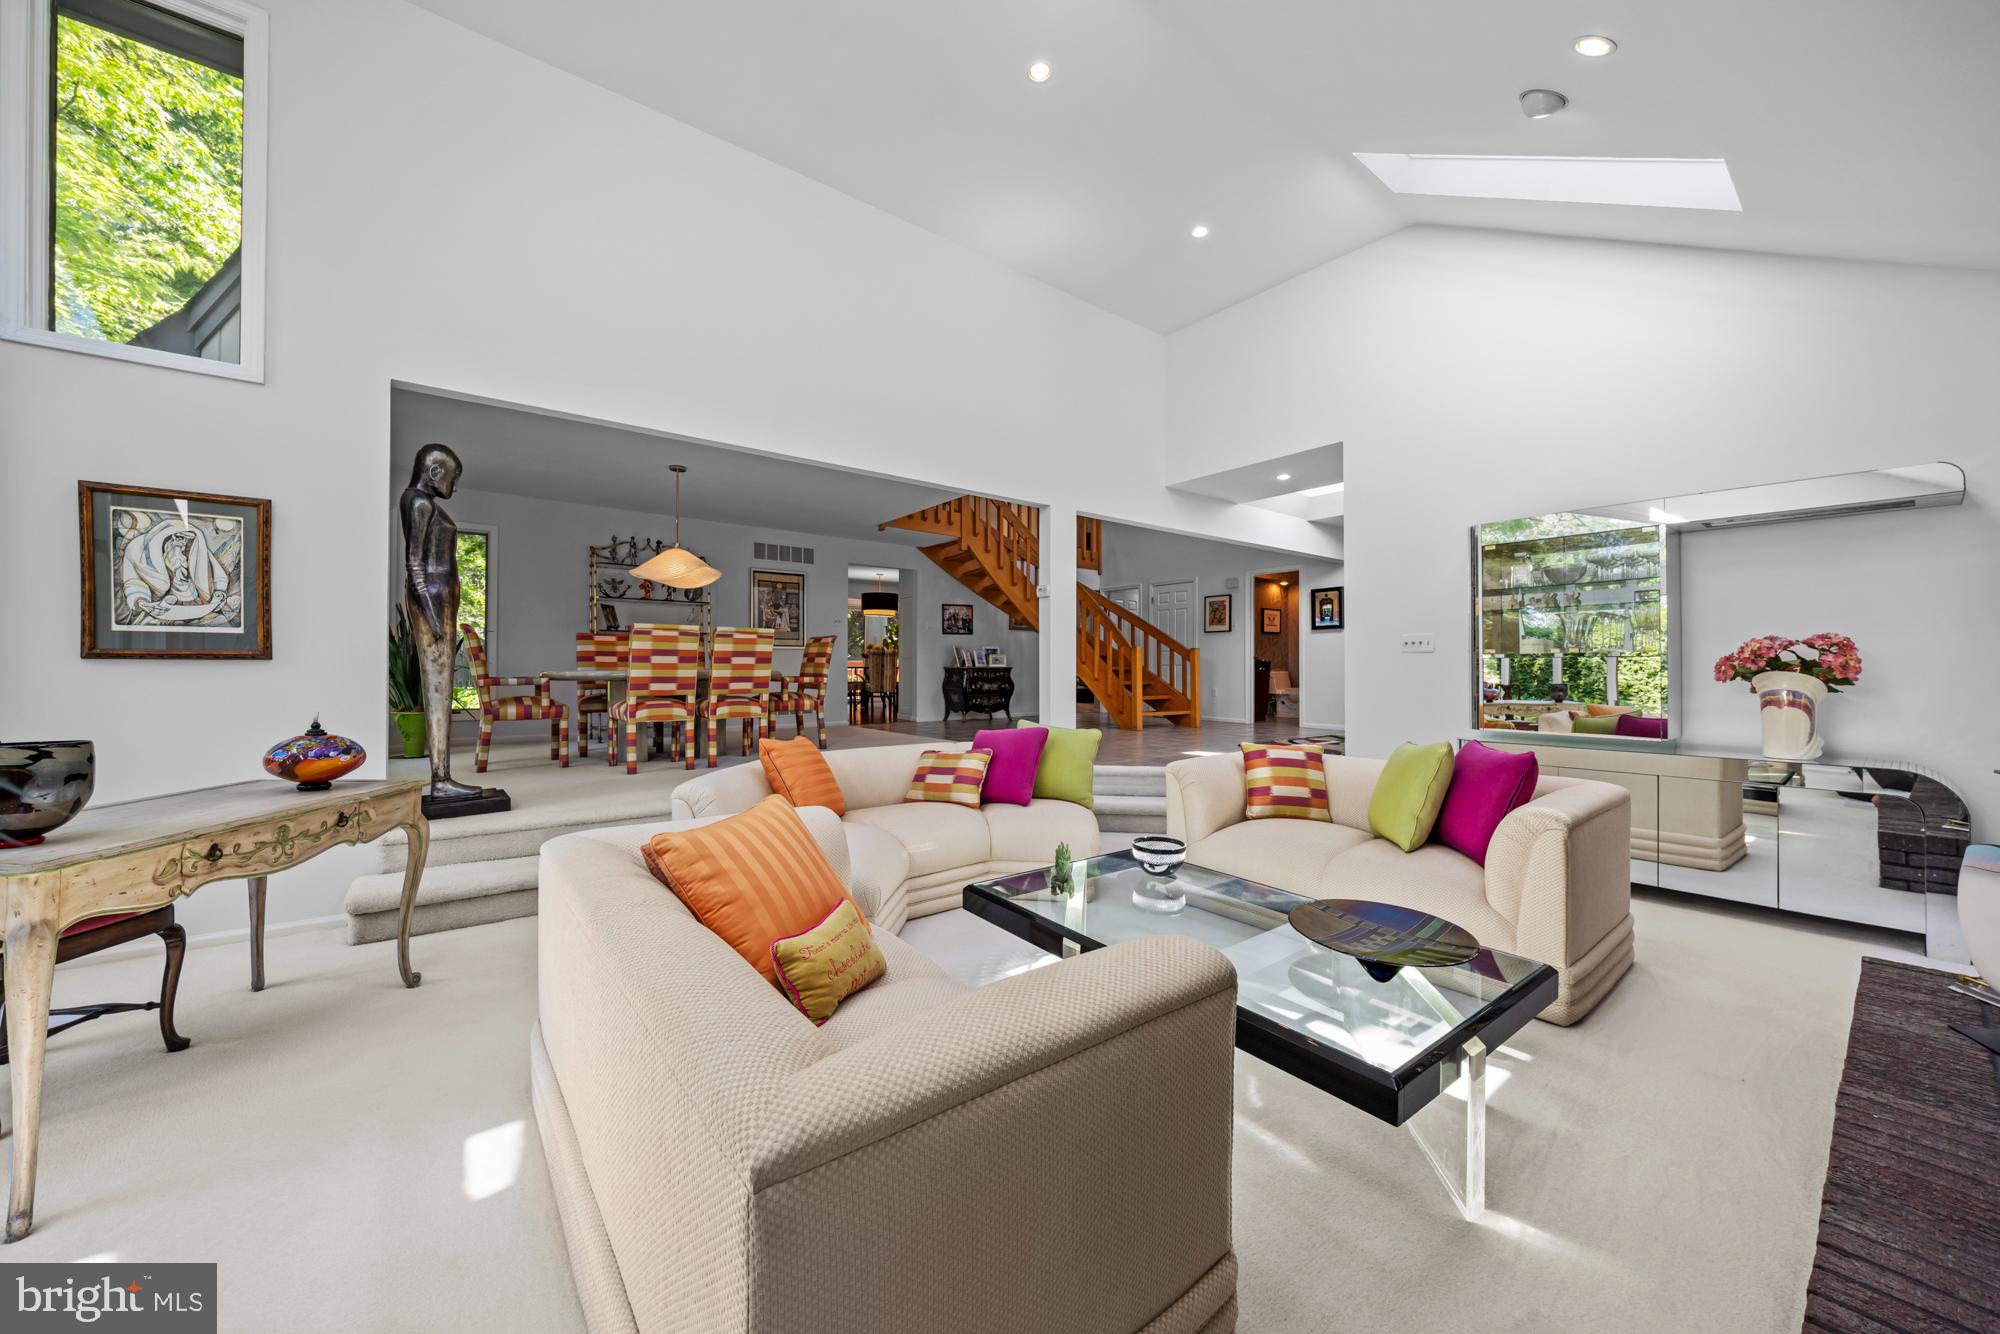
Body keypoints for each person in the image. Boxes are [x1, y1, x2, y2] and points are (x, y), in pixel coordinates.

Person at [399, 443, 484, 801]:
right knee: (438, 685)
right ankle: (441, 778)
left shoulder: (421, 503)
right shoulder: (419, 502)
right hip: (433, 598)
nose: (456, 485)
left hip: (439, 597)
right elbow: (415, 563)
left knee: (442, 685)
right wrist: (433, 615)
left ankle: (442, 776)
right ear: (435, 473)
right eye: (454, 477)